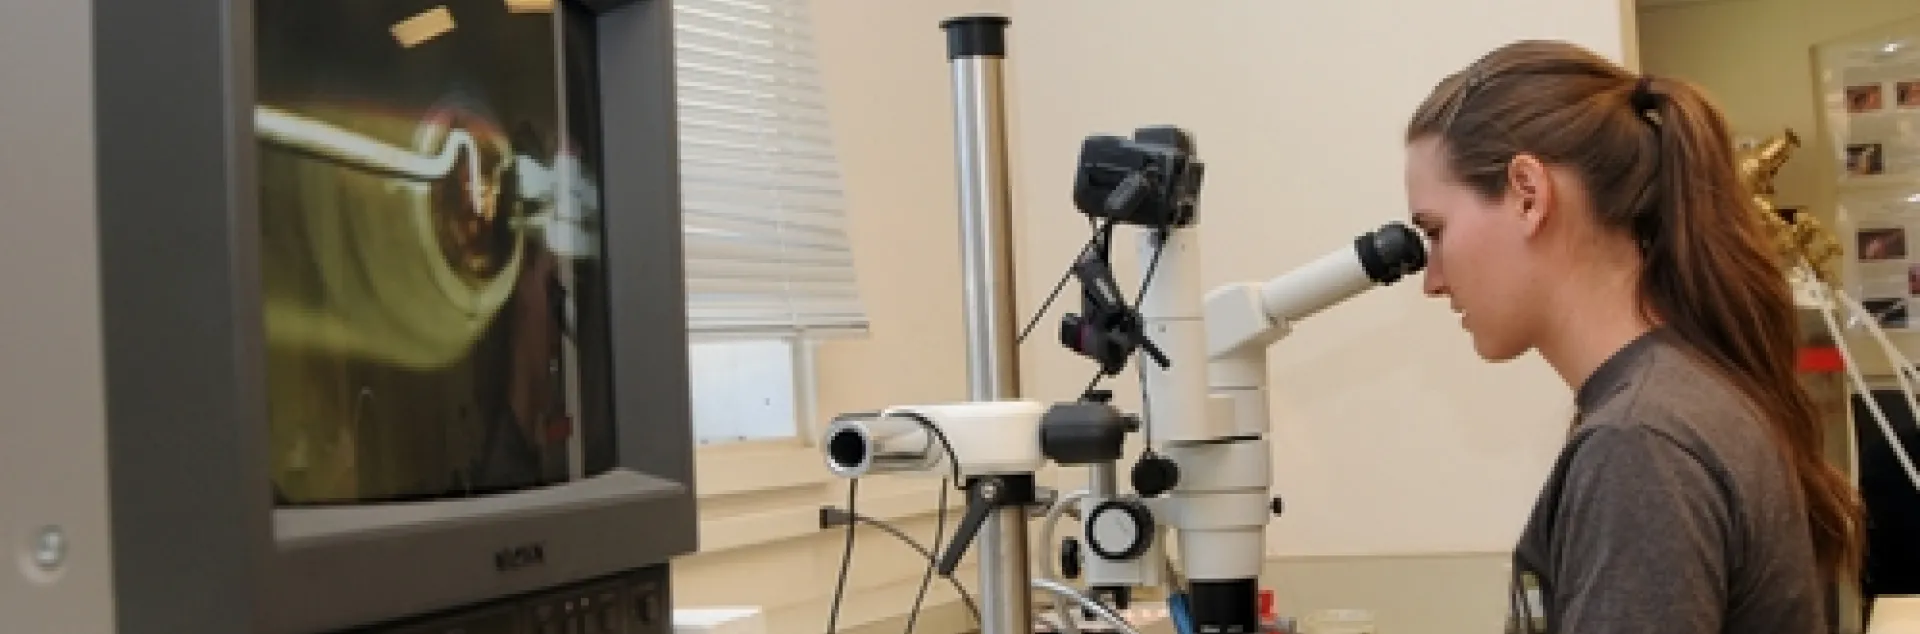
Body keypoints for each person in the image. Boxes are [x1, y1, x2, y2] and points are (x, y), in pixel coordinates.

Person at [1402, 40, 1864, 633]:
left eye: (1435, 231)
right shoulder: (1684, 395)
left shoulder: (1639, 441)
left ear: (1527, 194)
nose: (1432, 281)